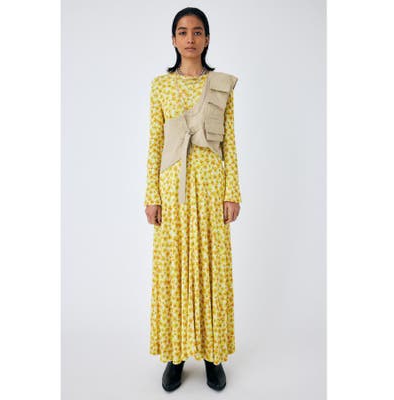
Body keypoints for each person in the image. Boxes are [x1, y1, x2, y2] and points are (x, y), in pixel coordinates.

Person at [144, 7, 242, 392]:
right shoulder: (160, 86)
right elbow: (155, 143)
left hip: (211, 187)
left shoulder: (221, 86)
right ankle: (176, 355)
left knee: (212, 269)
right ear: (173, 39)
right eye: (182, 32)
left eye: (197, 31)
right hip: (173, 190)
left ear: (207, 39)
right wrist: (152, 195)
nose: (190, 38)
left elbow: (230, 142)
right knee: (175, 268)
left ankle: (214, 356)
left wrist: (232, 192)